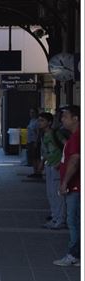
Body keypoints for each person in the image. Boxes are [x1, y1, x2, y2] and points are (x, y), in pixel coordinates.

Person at [53, 105, 80, 267]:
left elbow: (75, 160)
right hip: (76, 186)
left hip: (76, 187)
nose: (62, 119)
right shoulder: (74, 136)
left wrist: (64, 183)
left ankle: (73, 254)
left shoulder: (77, 137)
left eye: (65, 116)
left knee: (74, 221)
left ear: (76, 118)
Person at [39, 111, 67, 229]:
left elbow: (67, 146)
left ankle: (60, 219)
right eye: (39, 120)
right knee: (50, 193)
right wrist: (42, 162)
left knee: (57, 194)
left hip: (56, 166)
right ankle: (54, 216)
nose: (39, 123)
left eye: (42, 120)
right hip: (49, 165)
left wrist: (61, 162)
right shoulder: (43, 135)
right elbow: (45, 151)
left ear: (49, 122)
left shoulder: (56, 134)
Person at [26, 108, 43, 178]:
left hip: (35, 141)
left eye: (33, 112)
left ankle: (39, 172)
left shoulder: (37, 122)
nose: (31, 114)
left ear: (36, 113)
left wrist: (36, 141)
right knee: (33, 157)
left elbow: (38, 132)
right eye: (30, 112)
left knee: (37, 157)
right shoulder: (31, 121)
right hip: (30, 141)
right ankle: (35, 171)